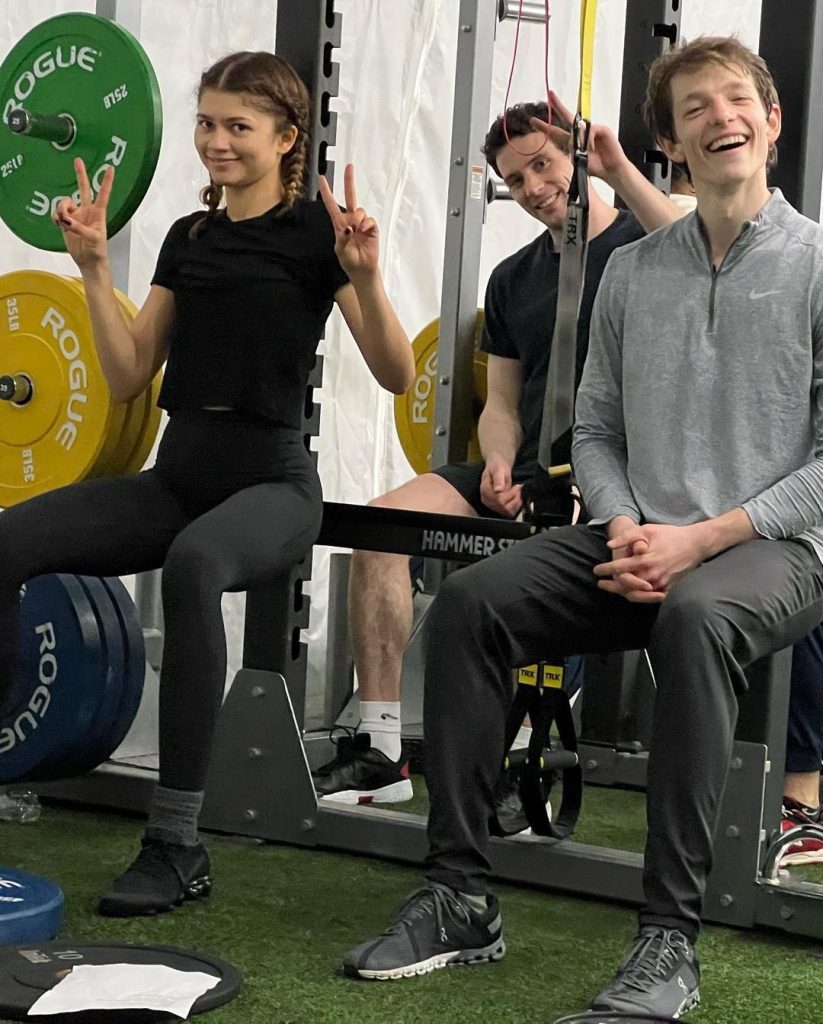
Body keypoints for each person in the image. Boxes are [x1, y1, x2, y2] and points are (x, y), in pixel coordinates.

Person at [342, 36, 823, 1020]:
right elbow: (596, 428)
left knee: (693, 618)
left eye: (737, 100)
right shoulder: (636, 275)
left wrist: (702, 538)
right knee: (474, 602)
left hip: (773, 549)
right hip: (634, 531)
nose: (719, 115)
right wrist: (623, 524)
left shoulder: (816, 266)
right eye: (694, 107)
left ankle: (666, 943)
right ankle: (459, 892)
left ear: (771, 123)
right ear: (670, 142)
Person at [0, 50, 413, 916]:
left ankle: (176, 842)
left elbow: (397, 375)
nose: (215, 142)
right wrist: (92, 269)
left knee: (193, 565)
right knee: (8, 543)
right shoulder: (190, 239)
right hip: (180, 474)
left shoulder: (316, 237)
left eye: (238, 126)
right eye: (206, 124)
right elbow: (124, 376)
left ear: (285, 137)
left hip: (272, 484)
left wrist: (368, 280)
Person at [312, 95, 681, 805]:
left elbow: (708, 247)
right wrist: (502, 461)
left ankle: (521, 756)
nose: (535, 188)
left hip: (622, 478)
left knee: (539, 569)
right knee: (379, 529)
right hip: (532, 463)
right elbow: (503, 404)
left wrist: (617, 167)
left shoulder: (648, 245)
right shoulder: (512, 278)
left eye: (543, 165)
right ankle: (381, 750)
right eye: (515, 180)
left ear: (574, 159)